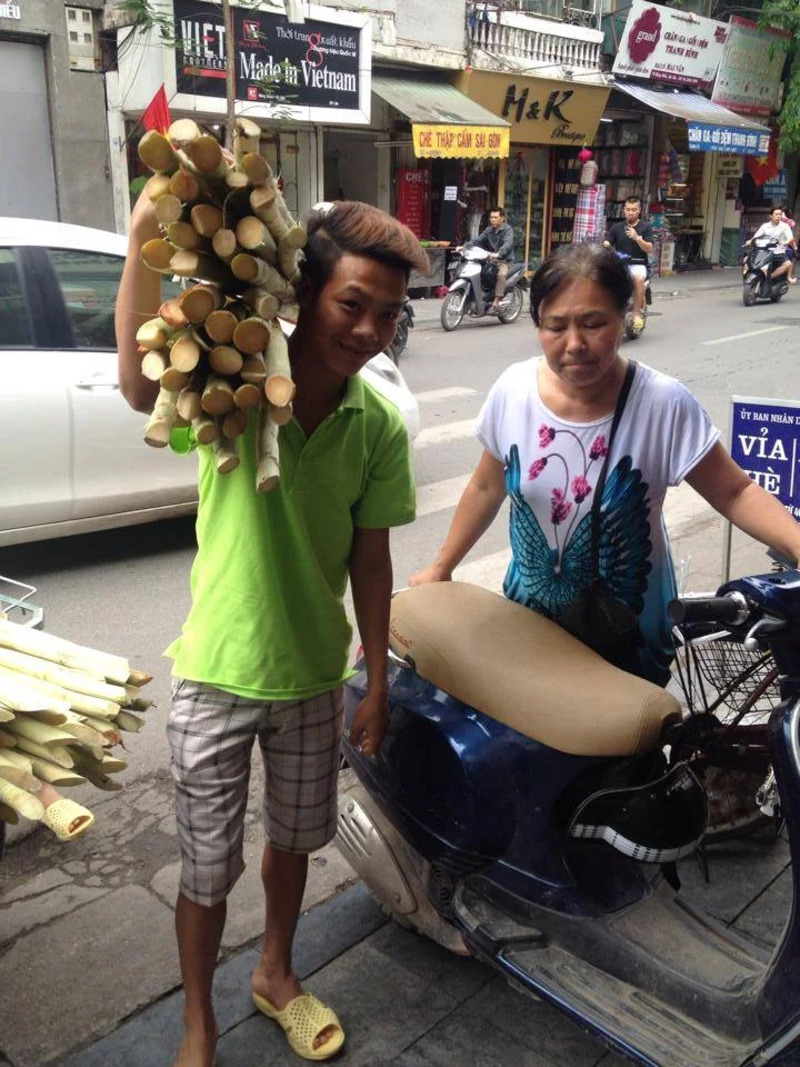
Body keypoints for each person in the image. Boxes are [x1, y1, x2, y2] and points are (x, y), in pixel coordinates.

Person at [116, 196, 428, 1067]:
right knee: (205, 870)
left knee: (294, 843)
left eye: (389, 314)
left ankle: (276, 972)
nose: (370, 329)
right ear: (305, 296)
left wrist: (375, 681)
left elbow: (372, 559)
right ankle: (197, 1022)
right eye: (351, 305)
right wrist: (142, 239)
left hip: (314, 679)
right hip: (217, 672)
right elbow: (142, 387)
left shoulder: (378, 424)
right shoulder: (241, 386)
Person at [410, 243, 800, 686]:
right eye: (555, 326)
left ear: (626, 315)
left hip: (629, 637)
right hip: (528, 625)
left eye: (593, 324)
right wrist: (442, 566)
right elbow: (485, 487)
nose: (574, 344)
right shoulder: (513, 390)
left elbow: (735, 492)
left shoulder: (662, 403)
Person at [605, 196, 653, 333]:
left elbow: (649, 248)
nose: (630, 212)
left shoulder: (646, 227)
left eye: (633, 210)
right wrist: (605, 244)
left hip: (638, 265)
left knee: (638, 278)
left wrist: (637, 238)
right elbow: (608, 241)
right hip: (621, 264)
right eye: (627, 209)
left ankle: (637, 314)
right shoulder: (616, 227)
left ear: (639, 211)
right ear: (624, 211)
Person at [458, 206, 514, 314]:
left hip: (503, 261)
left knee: (501, 275)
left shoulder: (508, 230)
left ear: (502, 218)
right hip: (489, 259)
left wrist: (499, 253)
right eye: (491, 217)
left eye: (495, 217)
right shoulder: (488, 230)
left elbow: (508, 244)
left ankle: (496, 301)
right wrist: (464, 246)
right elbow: (477, 240)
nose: (492, 219)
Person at [747, 206, 794, 284]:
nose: (778, 216)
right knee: (746, 259)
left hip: (778, 251)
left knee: (788, 264)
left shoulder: (785, 226)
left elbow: (790, 238)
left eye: (780, 214)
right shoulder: (765, 226)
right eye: (776, 214)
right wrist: (750, 241)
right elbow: (756, 236)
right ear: (771, 216)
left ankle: (769, 278)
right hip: (763, 251)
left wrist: (784, 242)